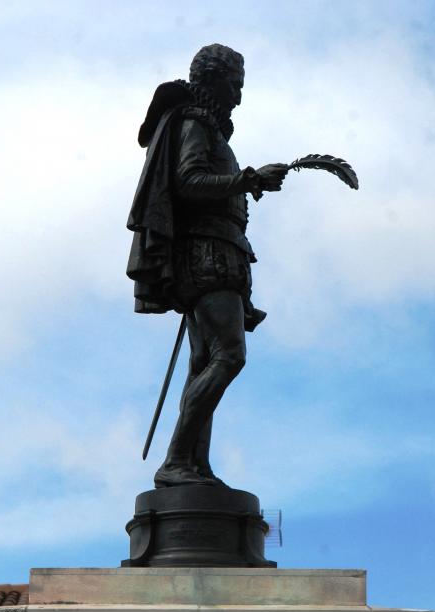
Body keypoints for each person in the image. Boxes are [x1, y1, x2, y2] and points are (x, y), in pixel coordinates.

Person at [127, 44, 288, 487]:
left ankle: (194, 466)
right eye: (234, 85)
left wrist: (245, 183)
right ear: (213, 82)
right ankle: (177, 460)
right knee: (229, 356)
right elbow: (188, 180)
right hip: (208, 255)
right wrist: (248, 179)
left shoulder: (209, 128)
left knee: (204, 362)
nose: (238, 96)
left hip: (219, 251)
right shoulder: (196, 123)